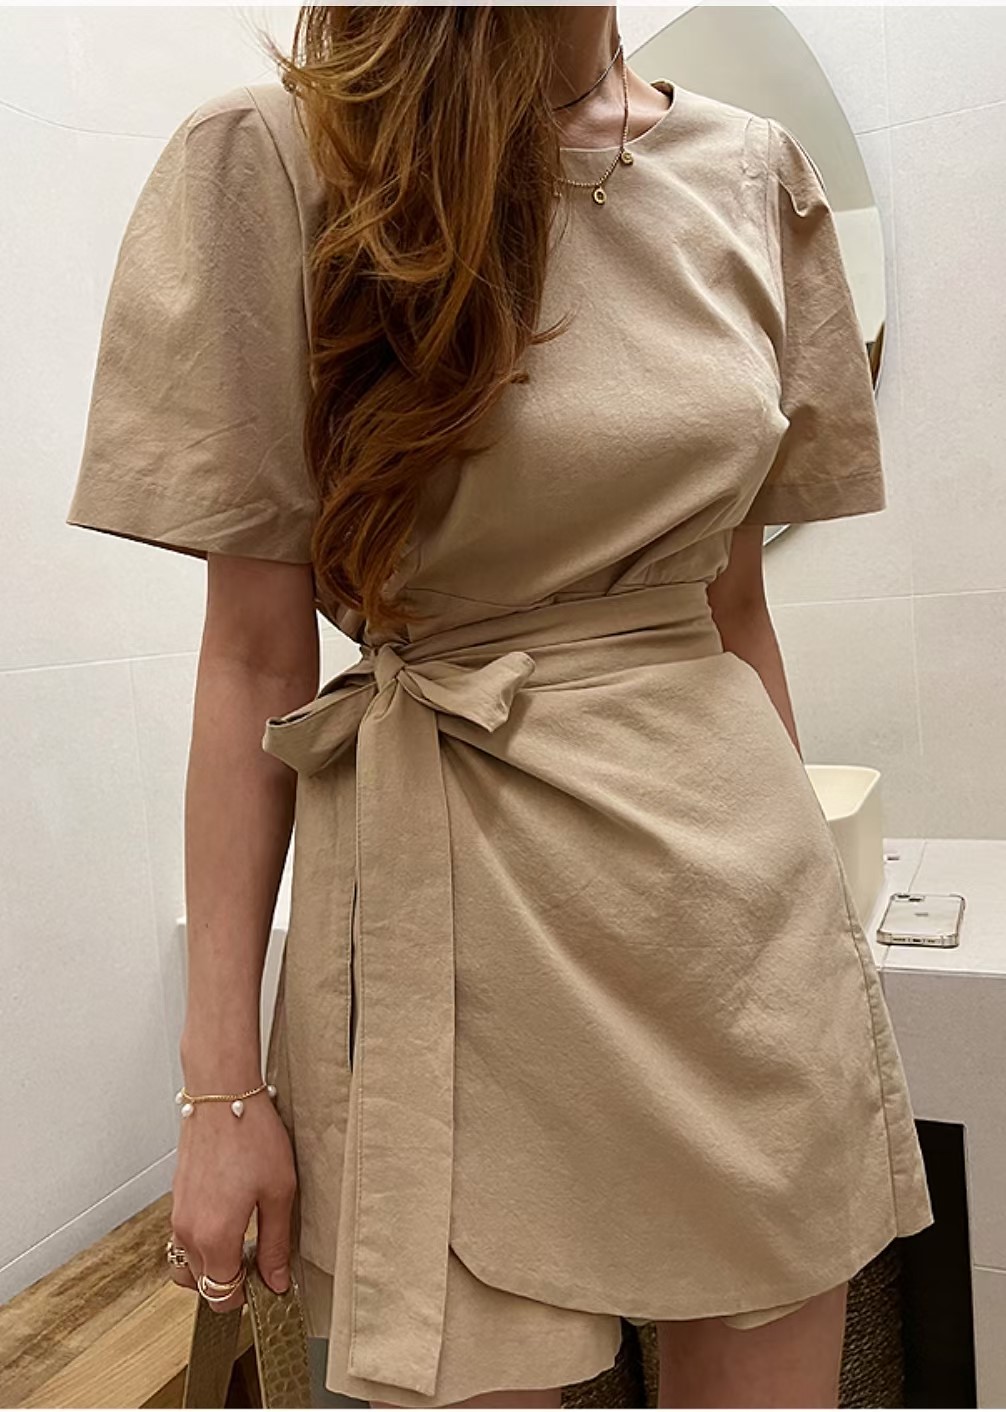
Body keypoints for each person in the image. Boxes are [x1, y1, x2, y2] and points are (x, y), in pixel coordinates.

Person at [66, 6, 935, 1408]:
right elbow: (251, 663)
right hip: (443, 907)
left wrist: (814, 945)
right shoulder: (281, 158)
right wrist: (219, 1089)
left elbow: (732, 612)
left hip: (732, 924)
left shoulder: (753, 174)